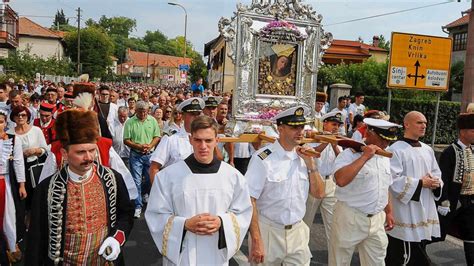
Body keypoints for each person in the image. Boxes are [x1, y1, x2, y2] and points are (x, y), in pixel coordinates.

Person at [25, 109, 134, 265]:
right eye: (81, 152)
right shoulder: (46, 188)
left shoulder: (113, 178)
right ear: (64, 153)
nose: (89, 157)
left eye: (92, 150)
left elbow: (126, 214)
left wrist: (116, 239)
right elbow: (36, 238)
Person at [145, 115, 252, 265]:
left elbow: (243, 212)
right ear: (190, 140)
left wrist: (222, 222)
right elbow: (155, 214)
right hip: (182, 256)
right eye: (198, 140)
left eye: (208, 140)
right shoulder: (168, 176)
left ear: (217, 141)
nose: (203, 146)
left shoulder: (233, 177)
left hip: (216, 254)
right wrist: (184, 224)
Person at [246, 106, 325, 265]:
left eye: (301, 127)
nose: (300, 131)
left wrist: (311, 165)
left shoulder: (305, 156)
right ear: (280, 128)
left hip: (297, 232)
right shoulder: (263, 158)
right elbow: (250, 199)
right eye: (294, 127)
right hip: (269, 232)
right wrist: (256, 239)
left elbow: (319, 193)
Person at [330, 118, 400, 265]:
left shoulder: (384, 156)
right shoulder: (349, 154)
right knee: (340, 261)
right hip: (350, 217)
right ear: (370, 133)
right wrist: (365, 156)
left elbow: (384, 186)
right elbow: (341, 180)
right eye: (383, 139)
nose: (386, 144)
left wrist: (389, 212)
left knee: (377, 261)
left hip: (376, 219)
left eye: (388, 141)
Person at [385, 111, 443, 265]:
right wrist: (420, 183)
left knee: (419, 246)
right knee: (405, 254)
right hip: (405, 210)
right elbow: (392, 179)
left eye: (425, 122)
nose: (423, 125)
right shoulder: (395, 149)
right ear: (406, 124)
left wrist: (436, 183)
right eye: (419, 122)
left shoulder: (427, 149)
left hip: (425, 205)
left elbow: (436, 172)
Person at [434, 112, 474, 264]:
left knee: (471, 234)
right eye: (472, 130)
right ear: (462, 132)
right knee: (438, 232)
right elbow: (443, 178)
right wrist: (443, 200)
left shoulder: (472, 150)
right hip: (452, 201)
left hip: (469, 201)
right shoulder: (450, 151)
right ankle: (418, 254)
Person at [303, 111, 343, 248]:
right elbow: (314, 154)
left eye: (338, 125)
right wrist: (327, 141)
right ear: (325, 123)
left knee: (332, 223)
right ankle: (302, 251)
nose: (335, 127)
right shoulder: (314, 138)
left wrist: (334, 144)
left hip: (330, 182)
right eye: (333, 124)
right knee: (307, 220)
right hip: (315, 181)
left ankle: (333, 252)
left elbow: (342, 160)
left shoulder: (338, 141)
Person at [149, 98, 205, 183]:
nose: (196, 117)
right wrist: (158, 193)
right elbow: (154, 168)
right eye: (192, 114)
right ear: (183, 116)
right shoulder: (171, 139)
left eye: (198, 114)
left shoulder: (206, 140)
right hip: (175, 189)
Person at [123, 101, 161, 218]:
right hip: (136, 155)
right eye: (141, 111)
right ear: (137, 111)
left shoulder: (152, 120)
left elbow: (157, 136)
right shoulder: (130, 122)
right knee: (136, 181)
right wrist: (139, 146)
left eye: (145, 111)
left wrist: (149, 146)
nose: (143, 113)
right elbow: (126, 140)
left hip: (150, 154)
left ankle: (144, 192)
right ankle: (138, 206)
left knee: (150, 179)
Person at [0, 110, 25, 263]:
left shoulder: (13, 140)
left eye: (1, 122)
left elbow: (18, 162)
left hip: (6, 181)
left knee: (8, 216)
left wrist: (21, 185)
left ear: (5, 123)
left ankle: (11, 245)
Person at [11, 106, 48, 209]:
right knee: (22, 198)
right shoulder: (10, 133)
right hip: (18, 170)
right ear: (13, 117)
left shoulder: (36, 130)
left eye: (23, 115)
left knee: (36, 197)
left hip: (35, 167)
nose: (20, 117)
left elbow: (45, 149)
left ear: (28, 116)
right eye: (17, 115)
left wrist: (36, 150)